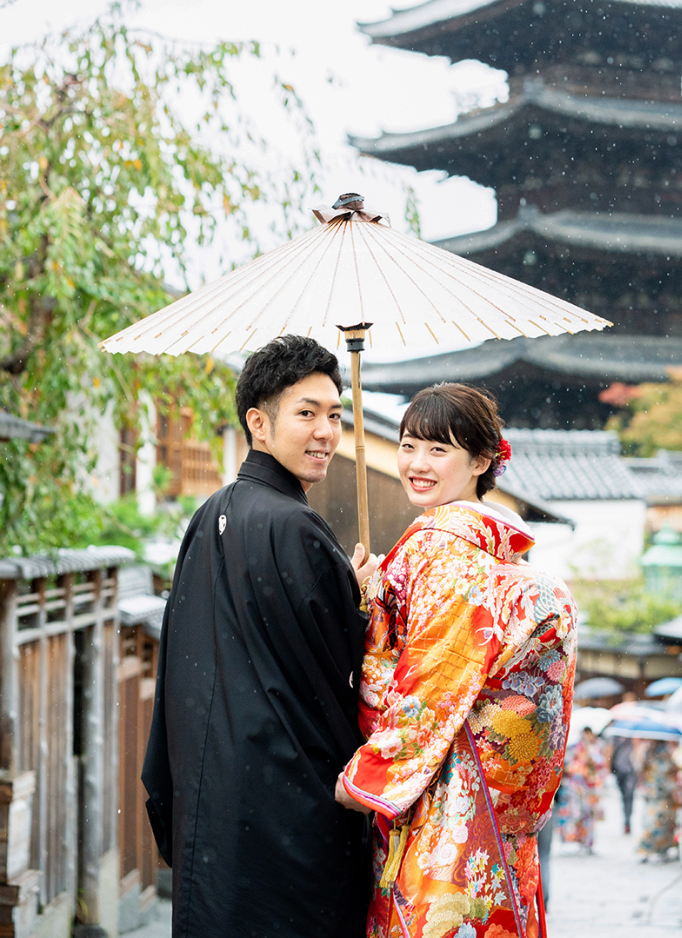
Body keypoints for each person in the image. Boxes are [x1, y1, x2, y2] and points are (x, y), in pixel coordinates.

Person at [142, 336, 376, 938]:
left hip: (214, 797)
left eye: (335, 414)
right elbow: (351, 672)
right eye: (307, 413)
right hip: (286, 811)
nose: (326, 431)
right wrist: (365, 607)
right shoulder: (297, 526)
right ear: (258, 423)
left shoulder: (210, 512)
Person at [335, 383, 577, 938]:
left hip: (444, 797)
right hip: (487, 797)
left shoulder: (444, 552)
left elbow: (430, 688)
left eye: (438, 450)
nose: (417, 464)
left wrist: (360, 781)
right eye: (408, 445)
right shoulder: (483, 548)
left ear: (482, 460)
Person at [558, 726, 607, 852]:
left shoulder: (596, 748)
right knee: (578, 813)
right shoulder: (575, 748)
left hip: (592, 786)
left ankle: (589, 842)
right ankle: (579, 839)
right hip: (577, 786)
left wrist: (592, 763)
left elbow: (601, 765)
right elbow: (568, 765)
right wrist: (580, 766)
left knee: (590, 815)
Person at [637, 740, 682, 862]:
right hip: (659, 793)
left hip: (656, 792)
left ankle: (650, 849)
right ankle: (656, 849)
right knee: (658, 822)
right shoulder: (658, 753)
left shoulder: (651, 752)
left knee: (655, 822)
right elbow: (669, 771)